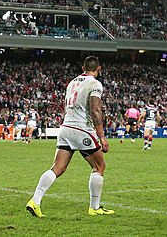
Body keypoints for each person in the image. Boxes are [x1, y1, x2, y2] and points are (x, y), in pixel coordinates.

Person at [26, 55, 115, 218]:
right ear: (99, 69)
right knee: (99, 167)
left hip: (66, 127)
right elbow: (95, 110)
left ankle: (35, 201)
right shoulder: (95, 84)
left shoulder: (72, 82)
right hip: (82, 129)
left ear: (83, 68)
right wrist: (102, 136)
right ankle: (94, 207)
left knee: (57, 167)